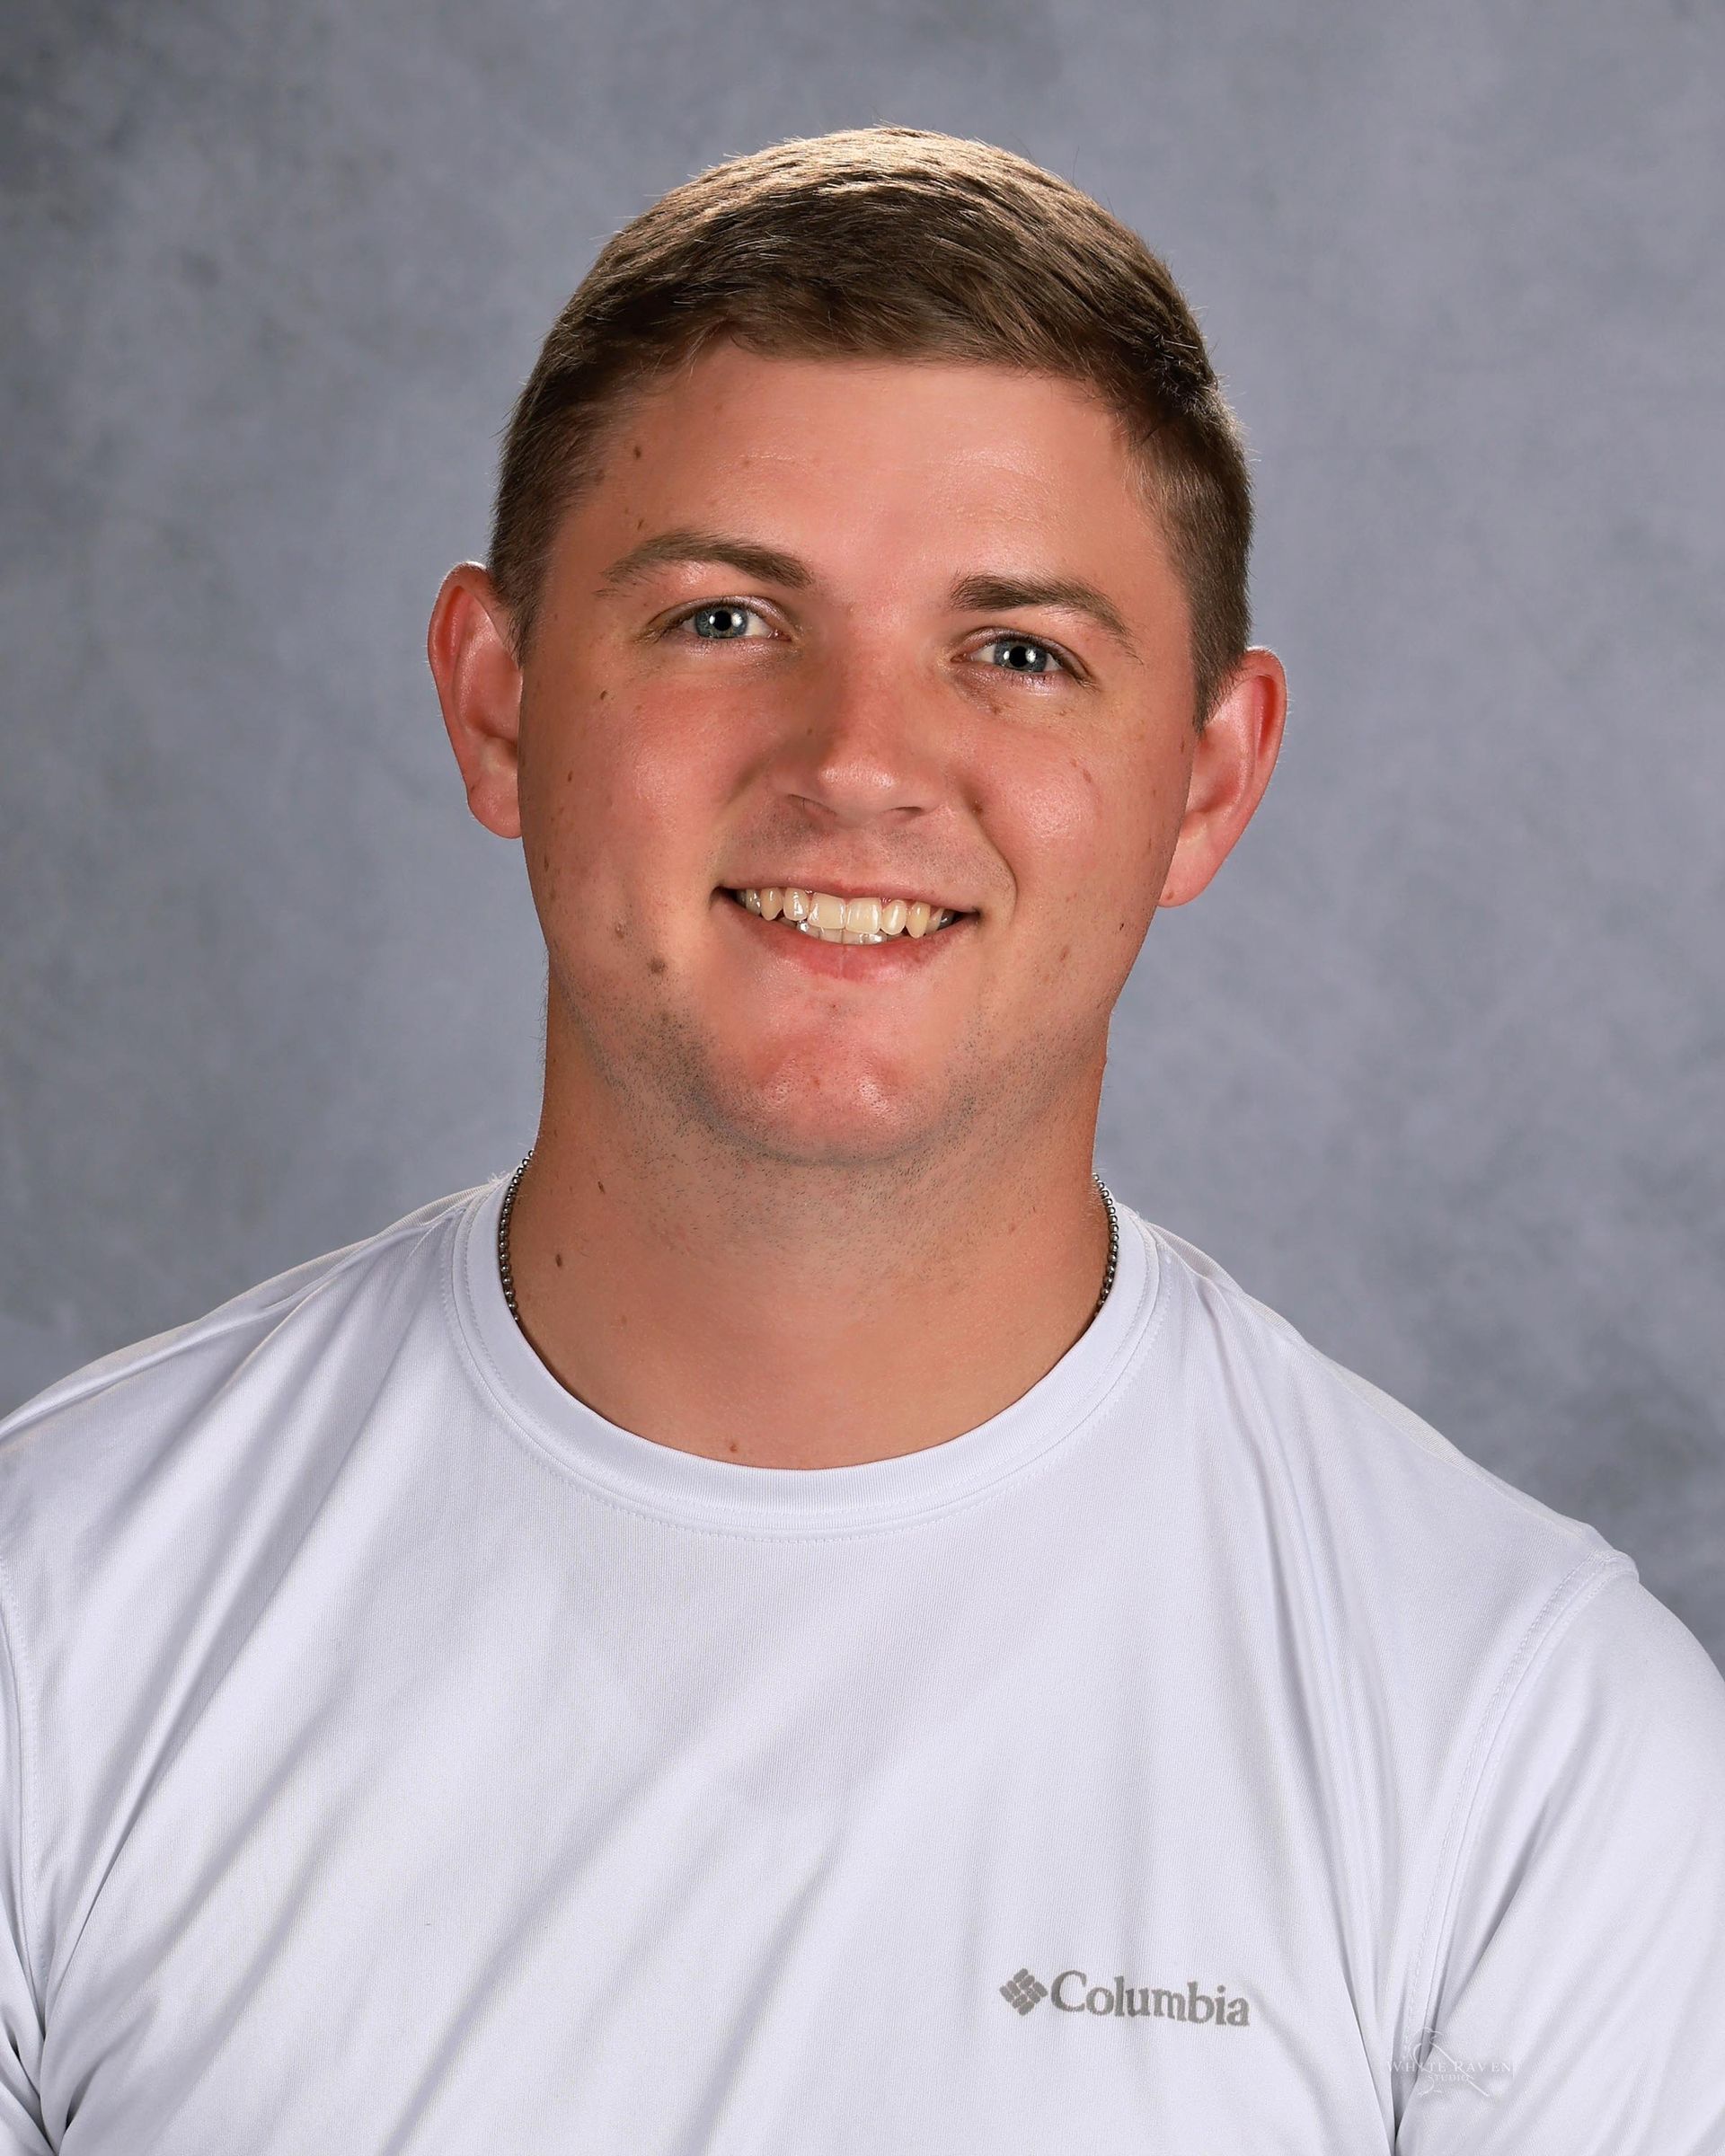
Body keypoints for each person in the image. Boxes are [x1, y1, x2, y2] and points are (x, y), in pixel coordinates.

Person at [0, 125, 1720, 2153]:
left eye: (1018, 655)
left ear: (1206, 779)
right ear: (498, 701)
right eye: (727, 618)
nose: (860, 766)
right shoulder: (54, 1625)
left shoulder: (1525, 1740)